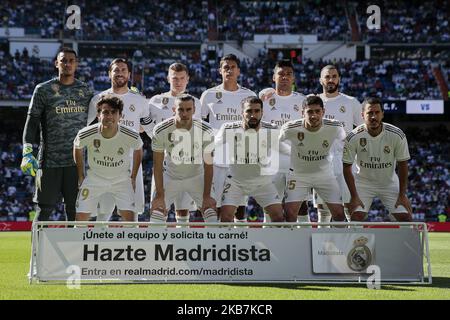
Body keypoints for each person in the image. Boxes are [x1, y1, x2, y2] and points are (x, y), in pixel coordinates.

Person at [21, 47, 93, 222]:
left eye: (71, 60)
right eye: (63, 60)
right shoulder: (43, 90)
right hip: (49, 161)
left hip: (76, 163)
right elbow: (32, 121)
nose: (67, 64)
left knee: (74, 209)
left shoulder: (85, 91)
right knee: (44, 209)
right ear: (56, 64)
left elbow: (104, 114)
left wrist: (129, 95)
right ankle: (37, 250)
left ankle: (73, 250)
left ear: (76, 64)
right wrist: (27, 150)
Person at [87, 58, 150, 222]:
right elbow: (86, 129)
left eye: (123, 70)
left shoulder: (140, 100)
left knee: (132, 208)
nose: (120, 73)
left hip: (130, 161)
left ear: (129, 74)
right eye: (116, 70)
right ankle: (99, 242)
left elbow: (147, 128)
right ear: (109, 74)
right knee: (104, 209)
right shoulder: (98, 99)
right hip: (104, 161)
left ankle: (132, 244)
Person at [200, 54, 256, 222]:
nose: (229, 70)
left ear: (238, 70)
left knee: (240, 204)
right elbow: (201, 125)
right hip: (217, 157)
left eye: (232, 67)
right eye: (226, 67)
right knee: (216, 201)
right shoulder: (209, 95)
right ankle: (219, 238)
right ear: (220, 71)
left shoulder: (249, 95)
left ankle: (241, 237)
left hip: (240, 157)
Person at [147, 63, 202, 223]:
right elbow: (145, 127)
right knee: (159, 207)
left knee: (183, 209)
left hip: (188, 162)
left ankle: (183, 242)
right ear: (167, 79)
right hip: (163, 160)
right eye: (174, 78)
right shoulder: (155, 101)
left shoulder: (196, 102)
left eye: (181, 78)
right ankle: (156, 243)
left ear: (187, 79)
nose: (178, 82)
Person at [74, 95, 143, 222]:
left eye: (114, 112)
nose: (109, 116)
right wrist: (81, 175)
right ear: (98, 115)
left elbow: (139, 148)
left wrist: (133, 177)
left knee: (131, 223)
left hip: (121, 180)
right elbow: (77, 147)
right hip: (95, 179)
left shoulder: (130, 134)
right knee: (80, 221)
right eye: (105, 112)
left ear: (120, 115)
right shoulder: (86, 133)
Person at [343, 97, 412, 222]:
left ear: (382, 114)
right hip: (363, 183)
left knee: (405, 218)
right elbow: (347, 167)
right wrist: (353, 196)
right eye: (370, 113)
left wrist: (402, 195)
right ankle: (357, 242)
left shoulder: (397, 135)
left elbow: (403, 165)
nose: (374, 117)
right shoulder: (353, 137)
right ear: (362, 115)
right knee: (356, 217)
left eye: (377, 112)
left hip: (389, 183)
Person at [216, 96, 284, 223]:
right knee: (225, 218)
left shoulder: (272, 129)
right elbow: (212, 146)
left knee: (279, 218)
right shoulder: (228, 128)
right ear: (242, 112)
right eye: (249, 111)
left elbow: (285, 150)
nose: (253, 115)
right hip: (236, 182)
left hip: (262, 183)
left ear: (262, 112)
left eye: (257, 111)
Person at [150, 94, 217, 223]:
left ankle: (212, 243)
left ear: (194, 110)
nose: (184, 113)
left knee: (211, 212)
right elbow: (157, 166)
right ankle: (157, 243)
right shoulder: (160, 129)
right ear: (174, 110)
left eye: (188, 109)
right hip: (170, 176)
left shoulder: (206, 130)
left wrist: (207, 195)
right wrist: (159, 195)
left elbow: (208, 165)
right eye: (180, 109)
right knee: (157, 213)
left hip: (196, 177)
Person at [280, 95, 346, 223]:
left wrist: (335, 155)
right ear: (302, 113)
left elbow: (345, 142)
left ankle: (337, 242)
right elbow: (277, 143)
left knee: (339, 214)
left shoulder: (335, 126)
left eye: (317, 111)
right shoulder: (290, 128)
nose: (314, 115)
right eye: (309, 112)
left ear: (323, 112)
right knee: (289, 213)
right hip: (298, 175)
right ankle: (294, 242)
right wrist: (289, 152)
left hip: (325, 175)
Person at [314, 65, 363, 224]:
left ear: (339, 79)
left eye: (334, 76)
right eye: (327, 77)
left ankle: (354, 244)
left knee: (350, 204)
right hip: (320, 161)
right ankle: (322, 244)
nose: (331, 80)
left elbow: (364, 127)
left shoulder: (350, 102)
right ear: (321, 79)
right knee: (323, 208)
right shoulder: (313, 101)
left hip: (345, 160)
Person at [260, 60, 305, 223]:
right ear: (274, 77)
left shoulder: (303, 101)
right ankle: (269, 245)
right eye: (281, 73)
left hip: (297, 161)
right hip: (271, 161)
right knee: (271, 207)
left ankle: (300, 244)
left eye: (288, 74)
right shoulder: (263, 100)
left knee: (300, 208)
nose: (284, 77)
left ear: (293, 78)